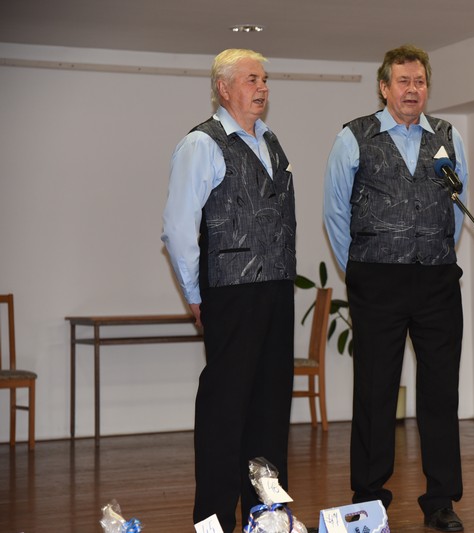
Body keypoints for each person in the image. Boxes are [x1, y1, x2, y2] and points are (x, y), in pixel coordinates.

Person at [323, 44, 468, 532]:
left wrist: (431, 250)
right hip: (376, 279)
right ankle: (368, 499)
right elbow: (335, 212)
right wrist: (362, 266)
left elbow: (456, 209)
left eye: (419, 81)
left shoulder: (448, 136)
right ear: (384, 87)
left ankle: (442, 500)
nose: (412, 90)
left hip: (437, 279)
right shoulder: (353, 136)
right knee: (375, 391)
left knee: (440, 393)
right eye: (403, 81)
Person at [161, 49, 296, 532]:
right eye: (251, 79)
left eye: (265, 79)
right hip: (231, 292)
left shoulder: (270, 141)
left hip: (277, 289)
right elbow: (178, 228)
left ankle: (267, 516)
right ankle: (213, 521)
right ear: (223, 88)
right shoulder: (202, 144)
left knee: (270, 410)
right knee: (225, 411)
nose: (262, 87)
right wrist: (195, 294)